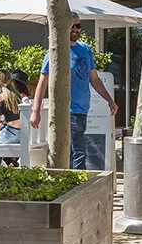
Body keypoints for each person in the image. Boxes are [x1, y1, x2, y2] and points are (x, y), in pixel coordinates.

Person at [29, 14, 118, 169]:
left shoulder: (85, 49)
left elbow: (94, 79)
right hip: (67, 110)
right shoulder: (55, 52)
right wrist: (35, 111)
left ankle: (69, 184)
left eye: (78, 26)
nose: (76, 29)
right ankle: (78, 186)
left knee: (72, 152)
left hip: (83, 110)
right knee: (78, 153)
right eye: (72, 26)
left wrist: (109, 100)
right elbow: (42, 82)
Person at [0, 69, 24, 162]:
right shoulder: (18, 96)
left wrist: (0, 124)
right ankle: (11, 164)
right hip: (22, 134)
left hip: (9, 134)